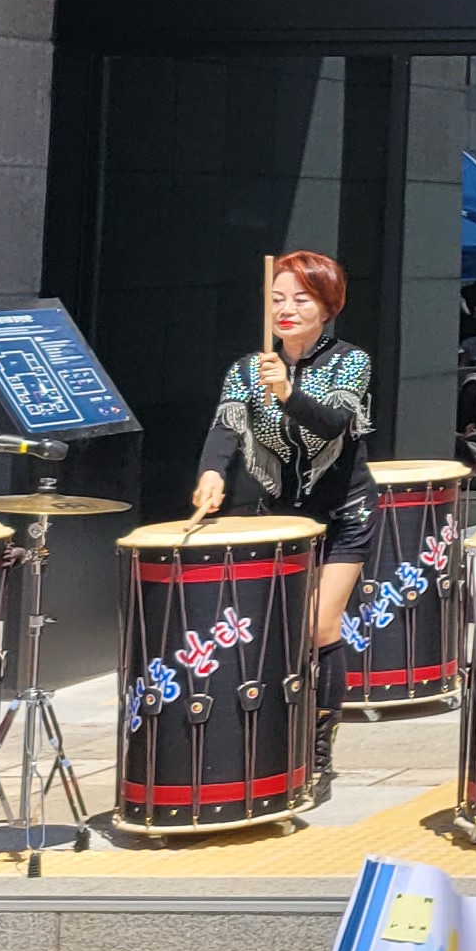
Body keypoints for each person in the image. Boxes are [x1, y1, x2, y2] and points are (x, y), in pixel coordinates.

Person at [189, 252, 374, 805]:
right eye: (277, 299)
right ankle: (274, 741)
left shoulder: (351, 361)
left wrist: (288, 393)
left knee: (318, 626)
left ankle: (318, 750)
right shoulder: (248, 368)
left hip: (343, 515)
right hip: (282, 517)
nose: (286, 309)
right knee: (278, 636)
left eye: (301, 299)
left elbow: (334, 422)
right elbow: (225, 429)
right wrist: (210, 475)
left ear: (328, 306)